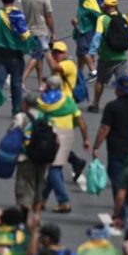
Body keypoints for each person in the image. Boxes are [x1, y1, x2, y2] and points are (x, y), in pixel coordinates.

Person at [38, 74, 89, 213]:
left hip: (49, 135)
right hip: (66, 134)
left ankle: (63, 201)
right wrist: (85, 139)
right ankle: (42, 199)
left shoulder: (43, 101)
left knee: (54, 168)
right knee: (56, 167)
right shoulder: (67, 100)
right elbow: (81, 122)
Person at [0, 0, 35, 115]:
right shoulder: (17, 15)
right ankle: (16, 109)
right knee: (16, 83)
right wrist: (32, 45)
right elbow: (24, 34)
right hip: (15, 55)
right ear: (13, 0)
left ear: (2, 0)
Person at [87, 0, 128, 112]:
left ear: (105, 6)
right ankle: (124, 105)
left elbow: (97, 36)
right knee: (123, 82)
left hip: (107, 56)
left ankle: (96, 104)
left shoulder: (102, 19)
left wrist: (92, 52)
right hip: (121, 55)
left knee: (100, 81)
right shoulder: (124, 17)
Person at [21, 0, 55, 90]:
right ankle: (22, 80)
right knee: (36, 56)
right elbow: (48, 16)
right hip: (41, 31)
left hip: (29, 30)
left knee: (40, 58)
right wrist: (53, 32)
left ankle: (40, 83)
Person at [72, 0, 103, 81]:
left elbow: (91, 9)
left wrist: (79, 20)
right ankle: (79, 73)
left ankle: (93, 71)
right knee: (80, 51)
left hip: (86, 24)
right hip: (88, 23)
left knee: (83, 49)